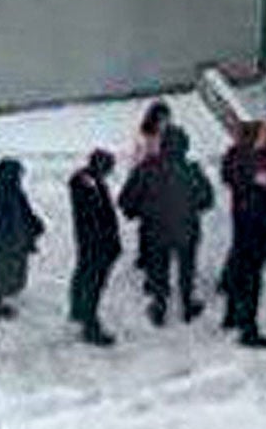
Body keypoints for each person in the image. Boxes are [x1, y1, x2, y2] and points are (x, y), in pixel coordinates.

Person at [117, 124, 214, 326]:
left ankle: (159, 307)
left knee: (158, 269)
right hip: (187, 229)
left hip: (155, 230)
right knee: (187, 268)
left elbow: (126, 200)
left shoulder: (145, 169)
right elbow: (207, 199)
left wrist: (139, 212)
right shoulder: (192, 170)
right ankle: (187, 305)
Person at [219, 121, 266, 348]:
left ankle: (232, 315)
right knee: (250, 278)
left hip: (244, 221)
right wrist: (259, 182)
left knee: (240, 269)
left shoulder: (238, 154)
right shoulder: (254, 158)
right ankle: (248, 327)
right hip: (253, 222)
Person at [67, 149, 122, 346]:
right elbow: (98, 214)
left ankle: (79, 311)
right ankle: (89, 323)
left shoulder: (92, 181)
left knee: (84, 274)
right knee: (93, 281)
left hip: (92, 240)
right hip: (96, 241)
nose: (108, 172)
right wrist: (110, 241)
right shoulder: (86, 182)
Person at [0, 158, 42, 319]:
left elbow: (21, 210)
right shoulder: (6, 189)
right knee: (1, 266)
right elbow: (12, 214)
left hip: (7, 233)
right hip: (5, 235)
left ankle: (0, 296)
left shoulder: (8, 187)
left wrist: (32, 226)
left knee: (6, 266)